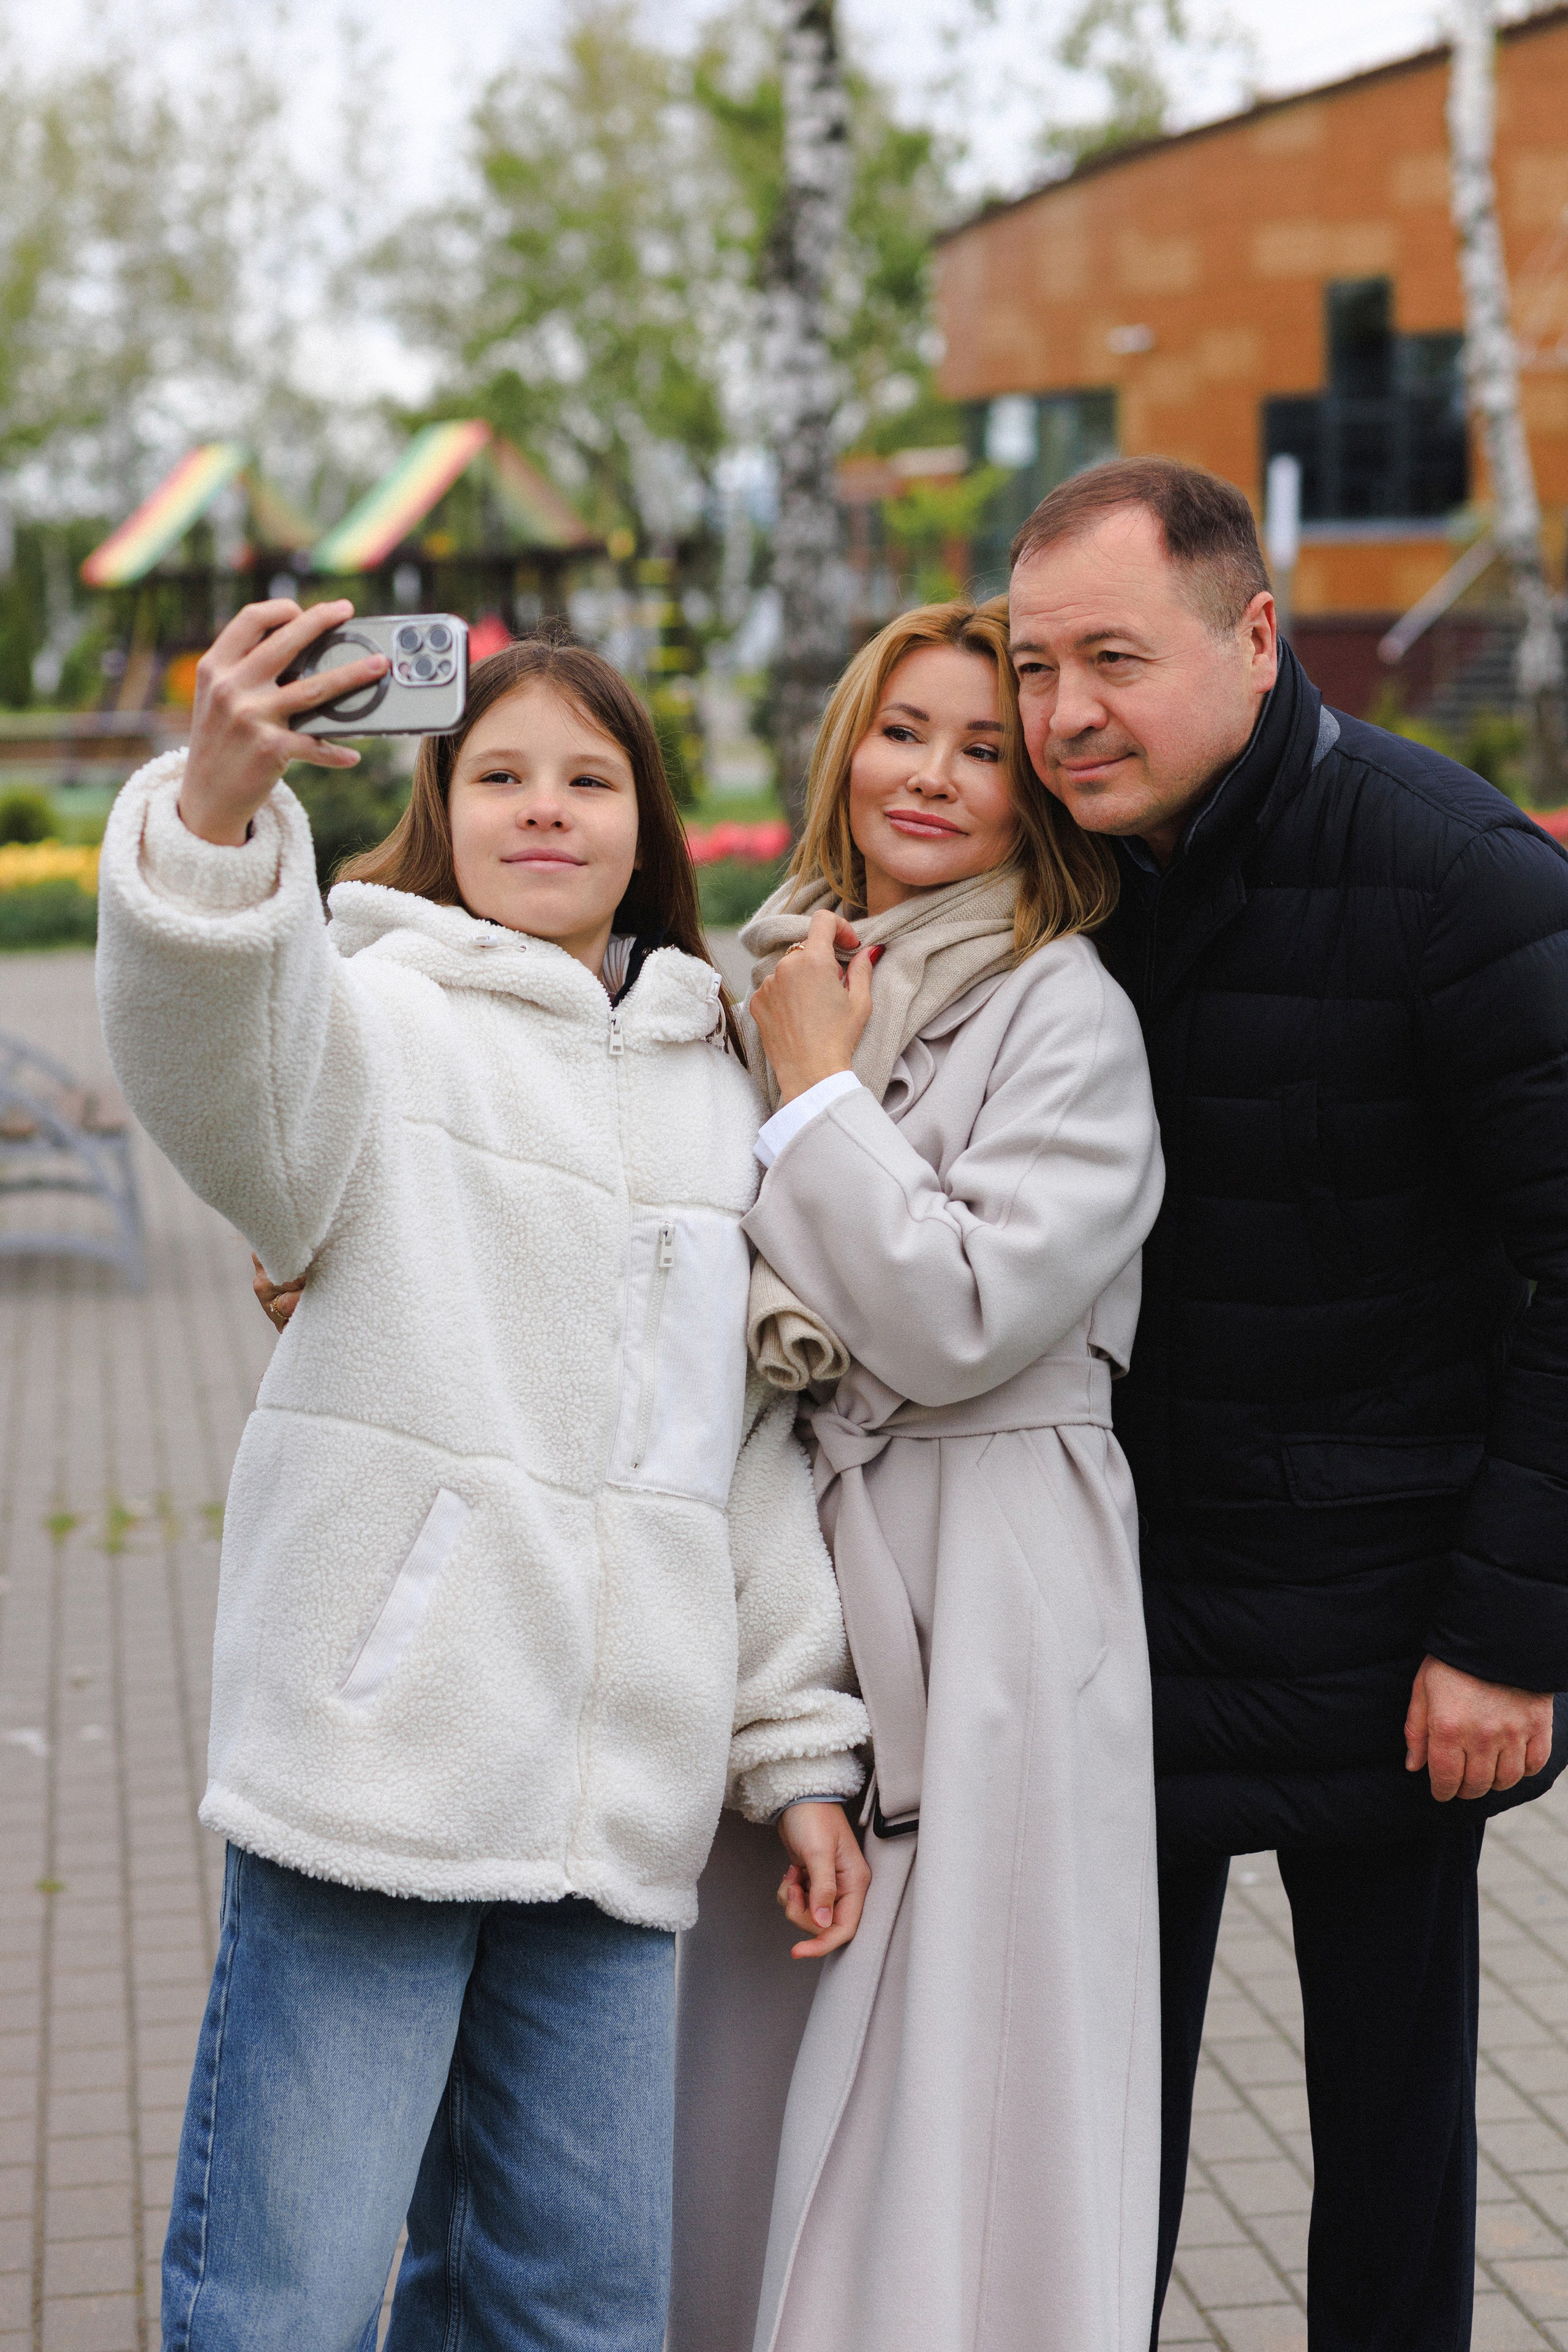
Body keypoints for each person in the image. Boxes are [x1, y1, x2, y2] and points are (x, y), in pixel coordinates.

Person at [94, 598, 871, 2352]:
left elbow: (739, 1452)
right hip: (381, 1770)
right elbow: (233, 1097)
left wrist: (794, 1748)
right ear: (435, 806)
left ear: (647, 826)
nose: (543, 807)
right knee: (283, 2309)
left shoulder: (713, 1086)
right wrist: (213, 823)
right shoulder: (372, 1010)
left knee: (579, 2314)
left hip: (616, 1807)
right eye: (498, 772)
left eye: (589, 779)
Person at [1005, 455, 1568, 2351]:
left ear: (1256, 639)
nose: (1063, 713)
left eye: (1111, 657)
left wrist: (1505, 1635)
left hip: (1401, 1650)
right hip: (1110, 1635)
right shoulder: (1044, 888)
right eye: (1031, 666)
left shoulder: (1457, 873)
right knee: (1089, 2148)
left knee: (1391, 2154)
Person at [669, 597, 1166, 2352]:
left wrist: (812, 1097)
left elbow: (958, 1315)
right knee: (747, 2053)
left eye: (982, 746)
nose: (936, 775)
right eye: (905, 732)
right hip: (780, 1578)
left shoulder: (1064, 1013)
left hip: (997, 1573)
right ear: (846, 749)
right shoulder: (773, 971)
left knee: (969, 2071)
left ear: (1035, 794)